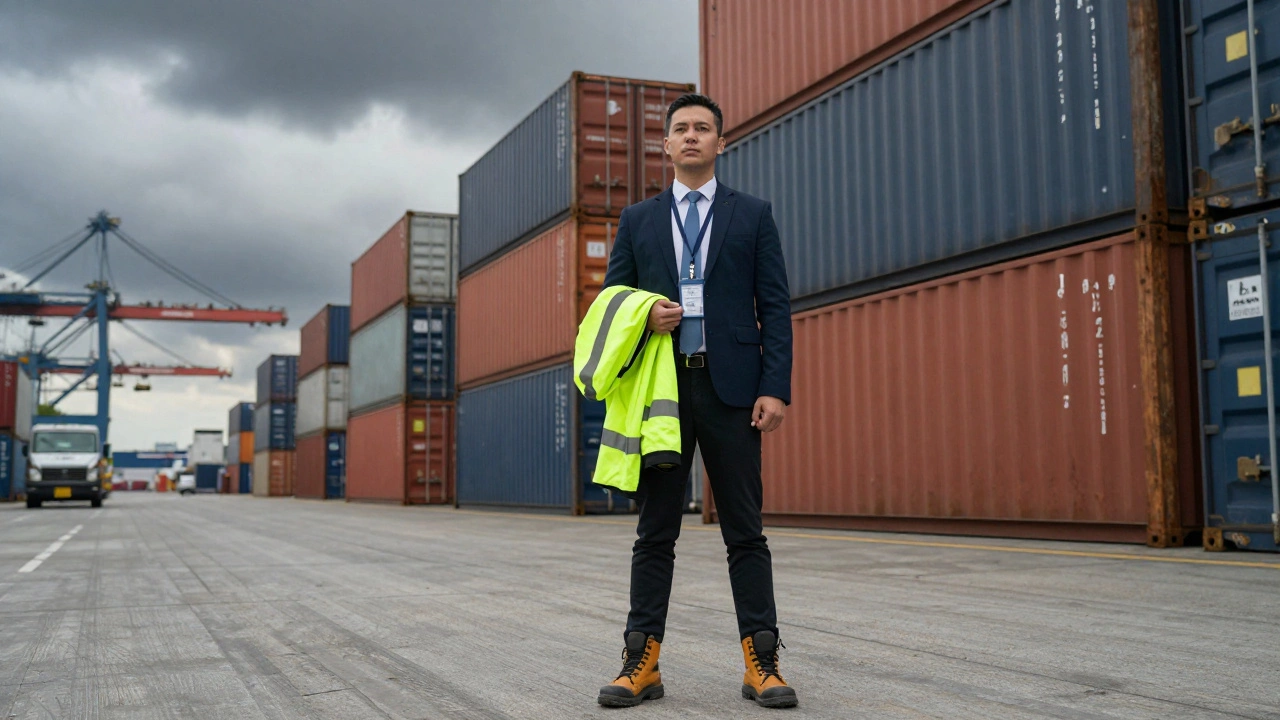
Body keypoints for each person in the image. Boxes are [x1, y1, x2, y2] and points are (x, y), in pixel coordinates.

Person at [596, 93, 796, 709]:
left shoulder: (753, 214)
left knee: (746, 532)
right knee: (655, 531)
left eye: (702, 129)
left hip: (733, 390)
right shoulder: (638, 220)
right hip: (662, 390)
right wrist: (643, 312)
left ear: (720, 142)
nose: (690, 137)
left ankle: (762, 663)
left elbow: (776, 306)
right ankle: (641, 662)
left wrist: (774, 386)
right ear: (665, 145)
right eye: (680, 128)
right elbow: (610, 299)